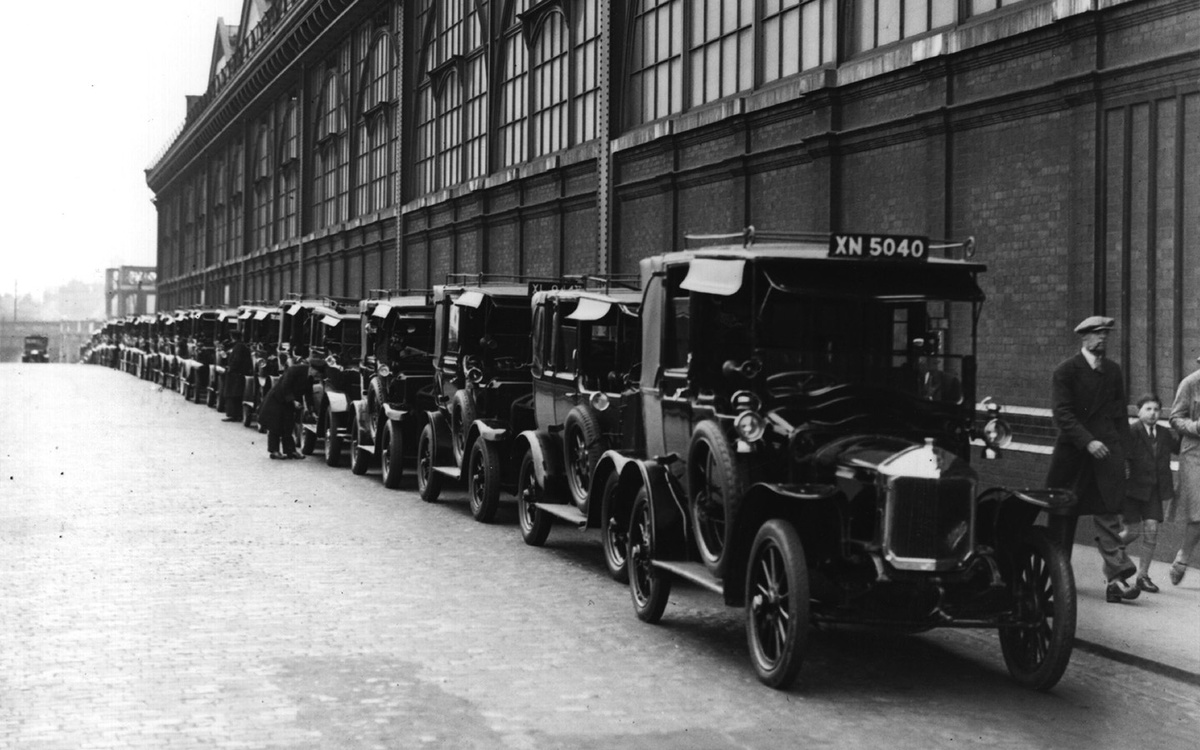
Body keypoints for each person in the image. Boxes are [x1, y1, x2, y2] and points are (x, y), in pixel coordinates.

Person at [1045, 315, 1138, 603]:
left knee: (1108, 512)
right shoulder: (1066, 371)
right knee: (1064, 517)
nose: (1103, 339)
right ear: (1083, 337)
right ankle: (1055, 580)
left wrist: (1125, 455)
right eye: (1097, 334)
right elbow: (1063, 414)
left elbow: (1120, 415)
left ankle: (1117, 579)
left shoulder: (1112, 371)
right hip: (1074, 456)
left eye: (1106, 334)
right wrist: (1088, 441)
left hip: (1106, 454)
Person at [1123, 394, 1176, 593]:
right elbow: (1123, 458)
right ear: (1139, 411)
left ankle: (1142, 576)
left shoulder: (1164, 433)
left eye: (1156, 409)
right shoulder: (1131, 431)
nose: (1153, 413)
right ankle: (1112, 556)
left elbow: (1180, 447)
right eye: (1148, 409)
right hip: (1133, 490)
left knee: (1152, 531)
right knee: (1132, 532)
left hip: (1154, 490)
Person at [1167, 354, 1200, 585]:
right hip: (1194, 453)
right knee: (1198, 510)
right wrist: (1196, 426)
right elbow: (1175, 418)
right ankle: (1183, 557)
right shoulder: (1190, 383)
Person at [258, 357, 325, 460]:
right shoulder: (294, 370)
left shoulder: (310, 377)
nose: (318, 376)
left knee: (288, 426)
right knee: (275, 426)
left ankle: (291, 451)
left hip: (289, 402)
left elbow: (308, 394)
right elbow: (285, 386)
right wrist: (293, 401)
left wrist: (311, 411)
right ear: (311, 368)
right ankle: (274, 451)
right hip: (277, 399)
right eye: (317, 373)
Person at [221, 331, 253, 422]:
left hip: (235, 375)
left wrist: (230, 368)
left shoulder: (238, 347)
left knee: (232, 394)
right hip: (239, 374)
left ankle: (233, 415)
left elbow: (236, 360)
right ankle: (237, 415)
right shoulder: (241, 346)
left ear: (232, 337)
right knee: (236, 395)